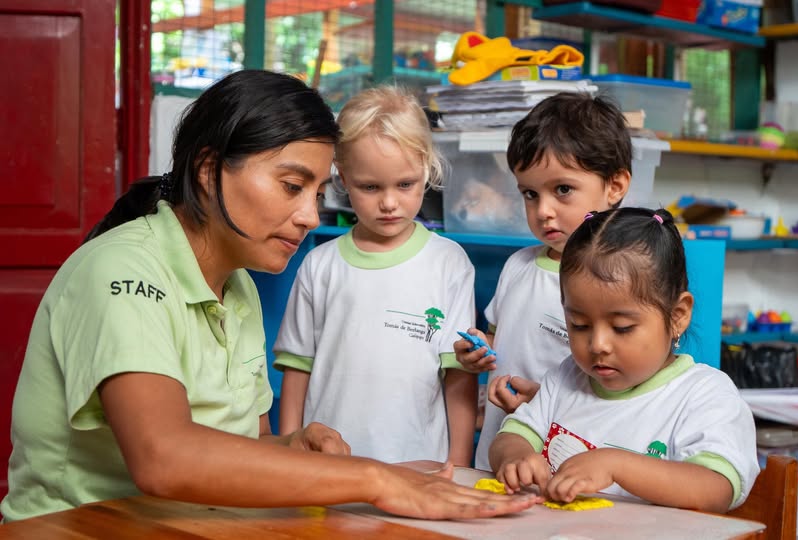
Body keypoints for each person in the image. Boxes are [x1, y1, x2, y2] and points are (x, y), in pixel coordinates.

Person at [0, 70, 537, 523]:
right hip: (80, 529)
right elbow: (162, 457)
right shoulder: (119, 270)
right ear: (210, 171)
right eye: (290, 186)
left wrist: (296, 446)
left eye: (319, 193)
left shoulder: (238, 287)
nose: (309, 216)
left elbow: (243, 448)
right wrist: (371, 478)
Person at [489, 207, 759, 513]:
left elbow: (715, 489)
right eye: (579, 325)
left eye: (622, 328)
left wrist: (616, 465)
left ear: (678, 316)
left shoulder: (704, 394)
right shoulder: (565, 378)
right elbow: (512, 435)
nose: (598, 345)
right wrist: (515, 458)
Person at [274, 86, 479, 466]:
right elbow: (297, 369)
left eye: (405, 184)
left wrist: (460, 464)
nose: (389, 202)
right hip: (328, 468)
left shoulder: (450, 263)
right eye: (370, 187)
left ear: (427, 171)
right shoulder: (320, 265)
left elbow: (458, 376)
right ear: (343, 180)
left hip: (419, 470)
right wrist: (290, 453)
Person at [454, 92, 632, 471]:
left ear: (615, 186)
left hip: (568, 464)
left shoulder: (621, 281)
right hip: (498, 456)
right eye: (530, 194)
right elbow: (502, 341)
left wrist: (543, 402)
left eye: (563, 190)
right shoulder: (517, 266)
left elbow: (627, 390)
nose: (543, 211)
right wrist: (478, 353)